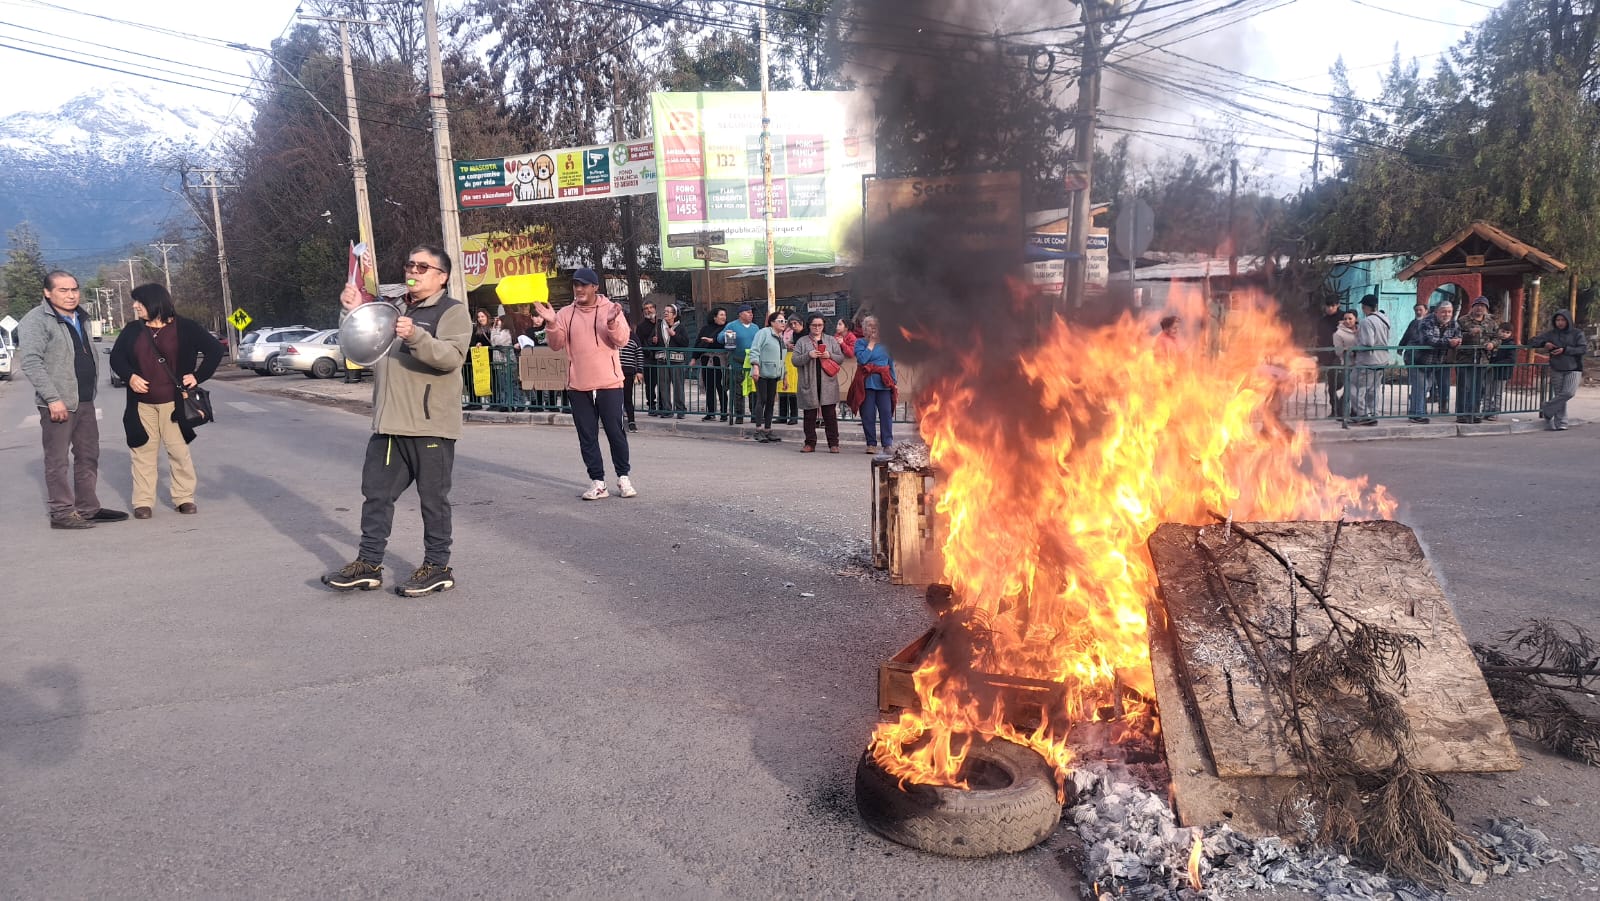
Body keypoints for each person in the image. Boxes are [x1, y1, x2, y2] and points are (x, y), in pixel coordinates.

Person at [322, 244, 470, 597]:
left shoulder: (451, 312)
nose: (413, 272)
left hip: (429, 424)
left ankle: (437, 567)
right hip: (389, 423)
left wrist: (416, 335)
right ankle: (368, 565)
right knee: (375, 496)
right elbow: (360, 348)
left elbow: (451, 357)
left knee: (433, 499)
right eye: (410, 265)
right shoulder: (393, 309)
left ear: (441, 277)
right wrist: (350, 313)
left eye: (423, 267)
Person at [16, 270, 129, 529]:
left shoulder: (81, 317)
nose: (71, 295)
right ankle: (62, 513)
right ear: (47, 292)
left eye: (74, 289)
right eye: (63, 290)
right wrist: (53, 398)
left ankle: (88, 508)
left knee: (88, 455)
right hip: (58, 404)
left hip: (86, 400)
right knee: (57, 460)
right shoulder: (36, 320)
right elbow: (31, 362)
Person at [107, 283, 224, 519]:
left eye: (138, 301)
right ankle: (143, 502)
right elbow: (117, 359)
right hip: (141, 404)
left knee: (178, 452)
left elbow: (215, 350)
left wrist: (198, 376)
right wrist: (130, 377)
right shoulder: (132, 330)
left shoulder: (185, 328)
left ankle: (184, 498)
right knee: (142, 452)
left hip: (175, 403)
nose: (134, 306)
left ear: (154, 302)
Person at [534, 268, 636, 499]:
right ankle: (598, 482)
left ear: (595, 287)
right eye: (575, 285)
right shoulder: (565, 313)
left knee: (615, 432)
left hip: (609, 383)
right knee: (587, 435)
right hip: (578, 385)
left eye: (583, 285)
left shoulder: (611, 309)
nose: (579, 289)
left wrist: (611, 323)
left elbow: (622, 339)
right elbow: (556, 345)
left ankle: (623, 478)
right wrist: (551, 324)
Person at [791, 314, 845, 452]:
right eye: (814, 325)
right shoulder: (802, 341)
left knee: (830, 415)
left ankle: (833, 444)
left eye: (820, 325)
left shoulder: (831, 340)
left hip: (828, 382)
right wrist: (808, 355)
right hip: (809, 382)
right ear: (809, 326)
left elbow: (840, 358)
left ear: (824, 325)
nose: (817, 328)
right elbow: (795, 360)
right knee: (809, 415)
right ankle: (810, 443)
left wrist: (830, 355)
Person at [848, 315, 898, 454]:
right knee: (868, 415)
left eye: (876, 326)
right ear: (864, 329)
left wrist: (894, 382)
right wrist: (871, 344)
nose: (873, 328)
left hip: (884, 383)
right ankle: (871, 443)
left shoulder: (887, 345)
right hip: (867, 383)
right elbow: (863, 359)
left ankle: (887, 443)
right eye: (870, 326)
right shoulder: (859, 343)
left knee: (886, 413)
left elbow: (890, 364)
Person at [1530, 310, 1587, 430]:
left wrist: (1565, 350)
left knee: (1568, 393)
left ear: (1568, 321)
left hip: (1574, 368)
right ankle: (1561, 422)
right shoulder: (1551, 334)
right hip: (1556, 367)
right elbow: (1532, 341)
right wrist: (1545, 343)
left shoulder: (1577, 333)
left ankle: (1547, 408)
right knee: (1560, 395)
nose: (1560, 323)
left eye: (1562, 320)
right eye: (1557, 320)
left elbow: (1582, 349)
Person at [1454, 296, 1499, 423]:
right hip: (1465, 358)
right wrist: (1469, 334)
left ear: (1486, 308)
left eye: (1482, 306)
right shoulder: (1463, 320)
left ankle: (1474, 412)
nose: (1479, 308)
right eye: (1477, 305)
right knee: (1464, 387)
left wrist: (1493, 344)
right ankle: (1462, 414)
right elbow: (1455, 335)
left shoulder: (1491, 322)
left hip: (1482, 359)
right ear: (1472, 307)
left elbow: (1498, 336)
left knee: (1478, 387)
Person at [1417, 299, 1461, 420]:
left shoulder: (1454, 323)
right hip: (1423, 360)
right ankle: (1419, 413)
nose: (1446, 314)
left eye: (1449, 312)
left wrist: (1457, 341)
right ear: (1436, 312)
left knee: (1444, 384)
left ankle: (1442, 407)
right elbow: (1428, 340)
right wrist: (1449, 342)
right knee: (1423, 387)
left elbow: (1458, 335)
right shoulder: (1426, 322)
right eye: (1443, 312)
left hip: (1442, 360)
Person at [1350, 294, 1390, 425]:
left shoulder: (1367, 321)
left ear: (1365, 307)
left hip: (1368, 360)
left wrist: (1357, 340)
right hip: (1382, 358)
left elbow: (1368, 342)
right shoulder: (1384, 318)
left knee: (1356, 387)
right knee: (1374, 389)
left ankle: (1362, 415)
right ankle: (1373, 413)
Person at [748, 311, 787, 443]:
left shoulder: (780, 338)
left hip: (774, 374)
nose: (784, 323)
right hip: (762, 372)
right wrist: (756, 367)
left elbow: (782, 358)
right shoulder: (763, 333)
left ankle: (767, 429)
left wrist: (784, 375)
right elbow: (755, 349)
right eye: (780, 321)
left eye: (784, 321)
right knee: (762, 399)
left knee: (771, 401)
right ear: (772, 322)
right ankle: (758, 429)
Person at [724, 304, 760, 424]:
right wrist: (726, 335)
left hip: (752, 363)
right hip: (738, 363)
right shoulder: (732, 325)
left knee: (753, 390)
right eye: (748, 312)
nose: (751, 314)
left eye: (751, 312)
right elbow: (720, 337)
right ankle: (739, 415)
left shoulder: (755, 327)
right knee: (738, 390)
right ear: (740, 314)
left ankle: (754, 414)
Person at [1399, 301, 1433, 423]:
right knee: (1420, 385)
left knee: (1425, 385)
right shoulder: (1414, 323)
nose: (1418, 312)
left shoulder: (1428, 323)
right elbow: (1407, 336)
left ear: (1426, 311)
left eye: (1420, 310)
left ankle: (1417, 409)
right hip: (1414, 357)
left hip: (1427, 358)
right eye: (1416, 310)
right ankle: (1417, 412)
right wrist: (1401, 347)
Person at [656, 303, 690, 418]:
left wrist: (674, 335)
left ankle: (681, 410)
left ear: (674, 315)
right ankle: (667, 410)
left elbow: (685, 343)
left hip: (677, 361)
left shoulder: (681, 327)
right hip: (662, 361)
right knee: (663, 386)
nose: (665, 313)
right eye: (664, 311)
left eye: (668, 312)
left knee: (678, 386)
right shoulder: (659, 326)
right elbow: (653, 342)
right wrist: (653, 341)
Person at [696, 308, 730, 421]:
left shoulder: (728, 328)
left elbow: (728, 344)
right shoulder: (705, 329)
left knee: (721, 387)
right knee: (709, 387)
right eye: (721, 315)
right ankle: (710, 413)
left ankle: (724, 413)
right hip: (706, 361)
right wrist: (693, 357)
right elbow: (698, 343)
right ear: (714, 317)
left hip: (720, 361)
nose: (723, 317)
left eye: (724, 315)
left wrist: (713, 341)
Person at [1316, 297, 1344, 416]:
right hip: (1328, 356)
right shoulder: (1323, 321)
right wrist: (1320, 356)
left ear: (1338, 305)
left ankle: (1344, 409)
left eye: (1332, 305)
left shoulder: (1344, 318)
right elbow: (1320, 339)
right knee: (1332, 385)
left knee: (1342, 383)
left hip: (1341, 355)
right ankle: (1335, 410)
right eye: (1328, 306)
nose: (1329, 308)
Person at [1483, 322, 1516, 421]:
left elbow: (1511, 359)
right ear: (1498, 330)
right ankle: (1485, 410)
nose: (1504, 334)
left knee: (1498, 393)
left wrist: (1495, 364)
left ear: (1510, 334)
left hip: (1502, 372)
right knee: (1487, 392)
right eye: (1502, 331)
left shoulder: (1510, 344)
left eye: (1507, 332)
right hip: (1490, 371)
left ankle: (1495, 412)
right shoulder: (1493, 342)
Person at [1331, 309, 1358, 418]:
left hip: (1360, 363)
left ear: (1356, 319)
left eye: (1350, 318)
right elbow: (1338, 351)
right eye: (1345, 319)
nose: (1347, 321)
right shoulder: (1338, 333)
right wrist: (1350, 350)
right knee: (1348, 390)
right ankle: (1341, 413)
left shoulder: (1360, 330)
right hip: (1348, 364)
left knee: (1356, 390)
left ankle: (1354, 411)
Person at [638, 298, 661, 416]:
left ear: (655, 309)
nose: (649, 310)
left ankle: (663, 405)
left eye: (651, 308)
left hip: (661, 358)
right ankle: (651, 405)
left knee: (662, 382)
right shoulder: (641, 326)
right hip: (648, 359)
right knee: (650, 384)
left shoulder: (661, 323)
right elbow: (640, 343)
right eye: (646, 309)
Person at [777, 312, 800, 425]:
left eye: (784, 320)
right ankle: (782, 416)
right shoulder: (778, 332)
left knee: (792, 391)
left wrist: (789, 345)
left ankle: (794, 416)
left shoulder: (794, 332)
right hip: (782, 361)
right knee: (781, 390)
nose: (783, 323)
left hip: (792, 362)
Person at [618, 331, 644, 431]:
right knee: (615, 398)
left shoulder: (633, 337)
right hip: (615, 372)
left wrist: (639, 371)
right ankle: (617, 422)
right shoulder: (614, 335)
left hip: (628, 372)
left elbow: (639, 354)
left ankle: (631, 422)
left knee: (627, 398)